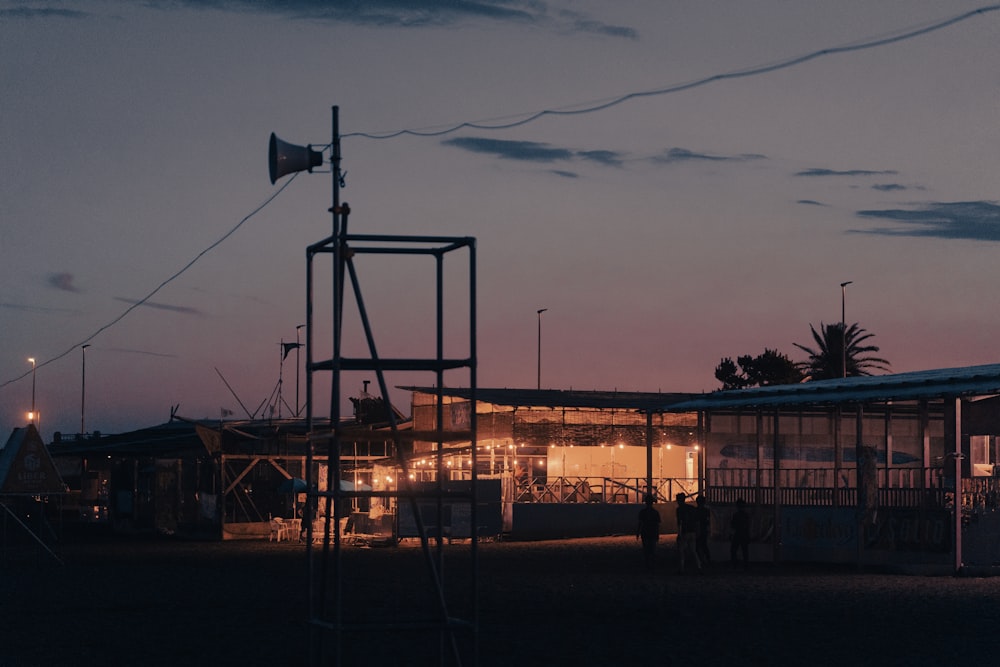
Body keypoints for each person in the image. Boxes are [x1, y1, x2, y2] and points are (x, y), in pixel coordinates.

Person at [675, 493, 701, 573]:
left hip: (685, 531)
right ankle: (699, 567)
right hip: (692, 531)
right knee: (693, 551)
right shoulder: (691, 508)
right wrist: (697, 531)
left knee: (681, 551)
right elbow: (696, 521)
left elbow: (679, 523)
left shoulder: (679, 510)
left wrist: (679, 534)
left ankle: (682, 568)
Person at [636, 494, 661, 569]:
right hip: (652, 532)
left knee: (646, 550)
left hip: (645, 532)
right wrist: (657, 534)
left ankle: (647, 565)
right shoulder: (655, 512)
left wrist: (638, 532)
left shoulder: (642, 512)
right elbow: (657, 525)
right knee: (652, 550)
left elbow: (640, 523)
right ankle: (652, 565)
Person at [730, 498, 751, 569]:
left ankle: (734, 564)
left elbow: (732, 525)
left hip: (737, 534)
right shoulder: (746, 515)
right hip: (744, 534)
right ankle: (746, 565)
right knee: (745, 550)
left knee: (734, 550)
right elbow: (748, 526)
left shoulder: (736, 515)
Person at [695, 495, 712, 566]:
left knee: (697, 547)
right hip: (704, 529)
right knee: (704, 546)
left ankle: (701, 560)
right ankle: (707, 560)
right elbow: (708, 521)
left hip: (698, 530)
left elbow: (696, 521)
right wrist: (708, 529)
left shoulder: (696, 510)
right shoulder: (706, 511)